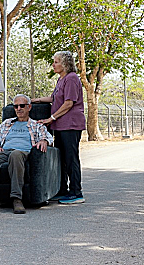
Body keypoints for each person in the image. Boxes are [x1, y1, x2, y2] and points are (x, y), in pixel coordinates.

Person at [33, 50, 86, 204]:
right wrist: (35, 100)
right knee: (61, 159)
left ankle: (76, 192)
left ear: (65, 63)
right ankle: (62, 190)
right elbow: (54, 98)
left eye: (56, 62)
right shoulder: (61, 79)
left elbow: (69, 103)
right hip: (60, 126)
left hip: (70, 125)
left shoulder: (71, 78)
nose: (53, 64)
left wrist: (51, 118)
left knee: (71, 158)